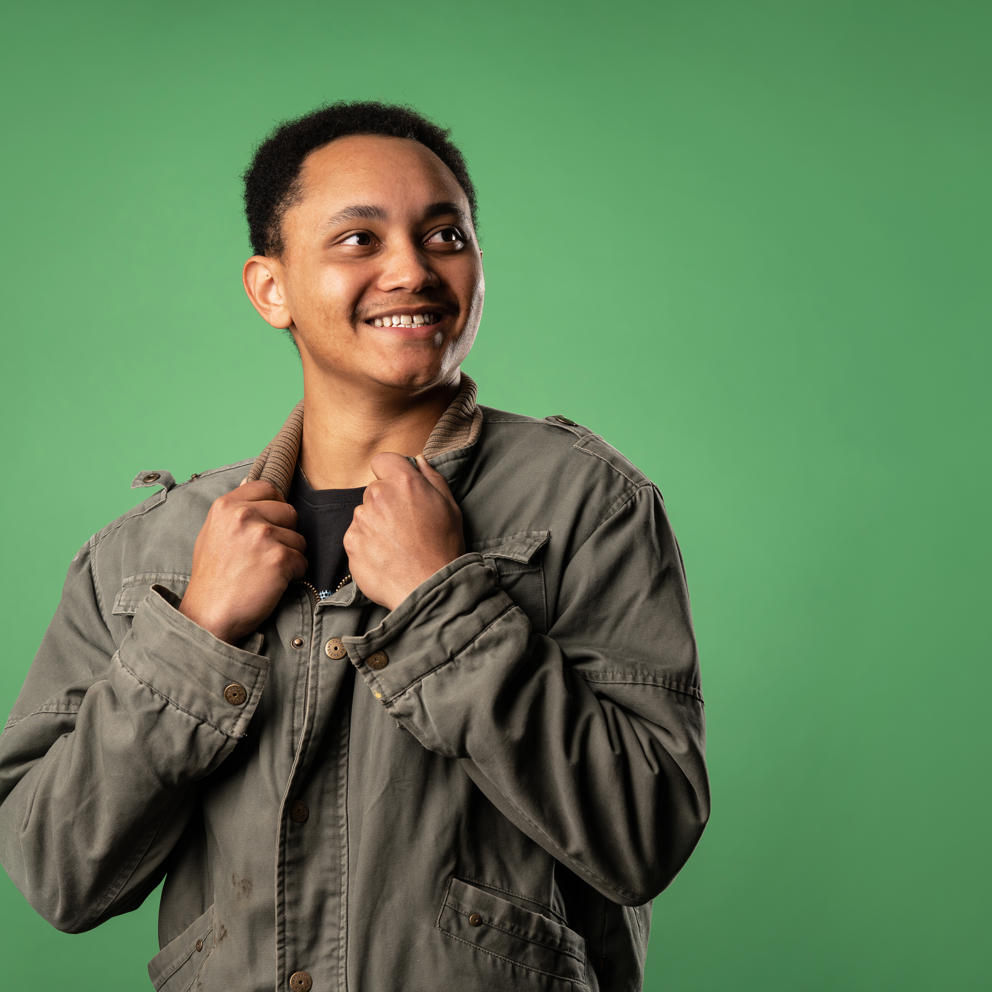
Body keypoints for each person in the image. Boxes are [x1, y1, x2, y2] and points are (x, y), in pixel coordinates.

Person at [0, 101, 709, 991]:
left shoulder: (585, 504)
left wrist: (442, 606)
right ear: (271, 288)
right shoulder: (147, 555)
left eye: (444, 234)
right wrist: (199, 633)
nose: (412, 269)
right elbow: (57, 873)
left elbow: (646, 834)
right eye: (359, 240)